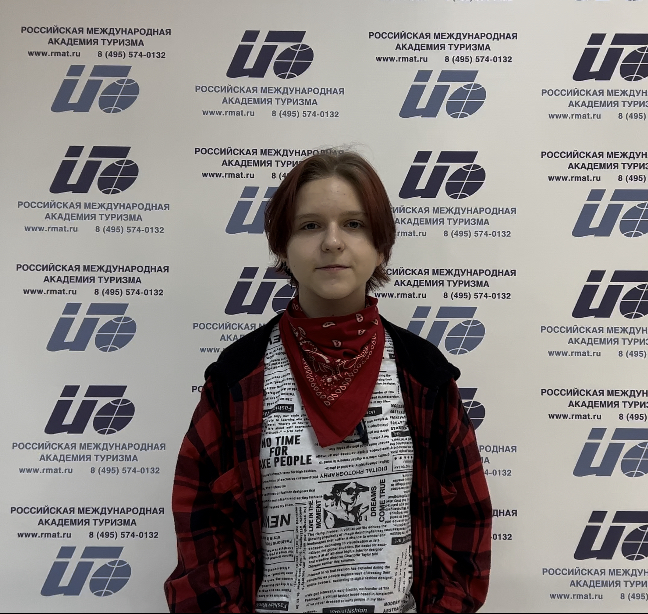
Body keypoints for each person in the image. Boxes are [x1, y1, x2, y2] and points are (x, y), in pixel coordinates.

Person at [165, 152, 492, 613]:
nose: (332, 242)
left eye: (354, 224)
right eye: (310, 225)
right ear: (283, 247)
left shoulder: (424, 375)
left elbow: (465, 521)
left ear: (381, 246)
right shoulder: (237, 378)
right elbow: (201, 523)